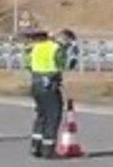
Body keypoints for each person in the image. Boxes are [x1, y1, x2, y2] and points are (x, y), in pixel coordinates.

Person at [27, 29, 76, 158]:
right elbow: (63, 65)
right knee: (53, 116)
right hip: (49, 85)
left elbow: (28, 63)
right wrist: (72, 58)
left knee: (41, 115)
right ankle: (48, 149)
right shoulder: (57, 49)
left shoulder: (39, 46)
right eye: (69, 43)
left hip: (36, 83)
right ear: (65, 39)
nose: (68, 46)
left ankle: (35, 146)